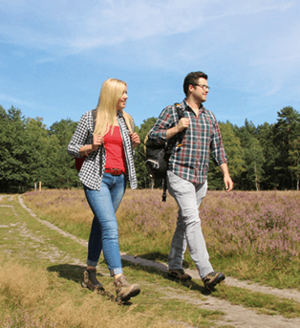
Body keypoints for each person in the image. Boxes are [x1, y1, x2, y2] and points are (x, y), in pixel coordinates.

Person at [148, 71, 233, 290]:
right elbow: (153, 136)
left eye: (208, 87)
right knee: (193, 220)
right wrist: (176, 128)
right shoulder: (173, 111)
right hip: (178, 173)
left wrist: (225, 173)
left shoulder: (210, 116)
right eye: (203, 86)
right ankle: (206, 273)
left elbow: (218, 148)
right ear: (191, 88)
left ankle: (175, 265)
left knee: (184, 221)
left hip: (200, 178)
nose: (207, 90)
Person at [67, 78, 141, 302]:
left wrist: (134, 146)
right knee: (110, 225)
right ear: (111, 94)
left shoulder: (126, 120)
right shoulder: (90, 117)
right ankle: (119, 281)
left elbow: (125, 155)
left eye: (127, 93)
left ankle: (90, 273)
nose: (126, 97)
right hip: (97, 178)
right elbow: (72, 149)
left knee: (100, 225)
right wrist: (90, 146)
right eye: (122, 93)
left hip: (119, 181)